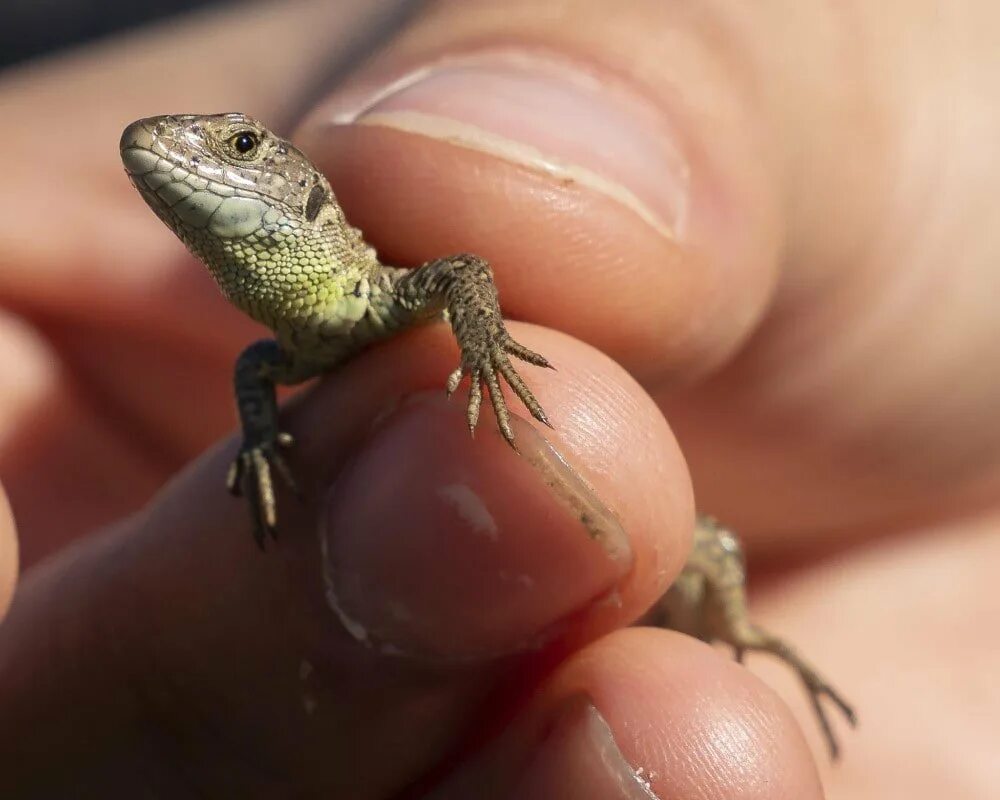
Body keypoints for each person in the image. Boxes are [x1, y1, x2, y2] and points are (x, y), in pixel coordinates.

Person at [0, 0, 997, 796]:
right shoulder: (288, 340)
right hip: (545, 555)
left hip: (644, 492)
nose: (202, 155)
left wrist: (482, 353)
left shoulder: (368, 282)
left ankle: (741, 631)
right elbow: (258, 371)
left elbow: (464, 267)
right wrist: (259, 445)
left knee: (709, 552)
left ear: (306, 188)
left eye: (244, 148)